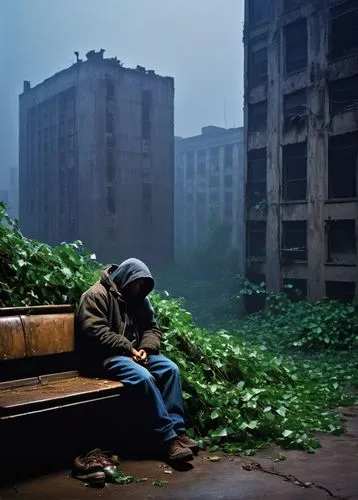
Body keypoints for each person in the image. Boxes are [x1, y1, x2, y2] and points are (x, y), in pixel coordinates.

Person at [75, 257, 198, 461]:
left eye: (143, 284)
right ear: (126, 278)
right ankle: (167, 440)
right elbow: (94, 331)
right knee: (143, 378)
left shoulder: (139, 298)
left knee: (170, 369)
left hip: (134, 354)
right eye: (138, 282)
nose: (140, 287)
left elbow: (152, 327)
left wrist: (145, 349)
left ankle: (178, 430)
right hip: (105, 357)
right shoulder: (96, 295)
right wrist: (128, 348)